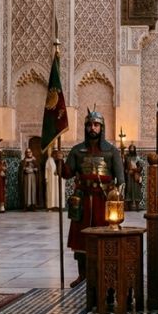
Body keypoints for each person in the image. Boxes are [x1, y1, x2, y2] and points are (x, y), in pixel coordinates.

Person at [56, 109, 125, 288]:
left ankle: (105, 274)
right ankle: (83, 275)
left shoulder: (111, 151)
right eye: (89, 125)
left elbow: (121, 179)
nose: (92, 128)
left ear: (101, 127)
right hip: (83, 199)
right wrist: (59, 162)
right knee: (81, 238)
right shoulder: (77, 151)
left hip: (103, 200)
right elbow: (67, 174)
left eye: (96, 125)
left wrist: (116, 200)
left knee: (105, 237)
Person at [124, 144, 143, 211]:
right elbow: (125, 167)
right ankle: (129, 206)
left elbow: (140, 167)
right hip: (129, 177)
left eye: (133, 148)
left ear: (134, 149)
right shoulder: (126, 157)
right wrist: (127, 171)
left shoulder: (137, 157)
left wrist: (135, 170)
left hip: (135, 176)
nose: (132, 149)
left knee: (136, 190)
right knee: (129, 189)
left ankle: (137, 206)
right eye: (131, 148)